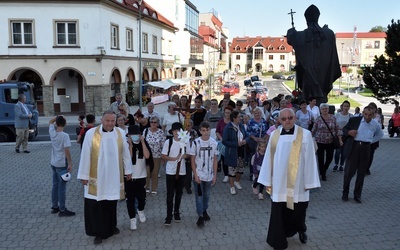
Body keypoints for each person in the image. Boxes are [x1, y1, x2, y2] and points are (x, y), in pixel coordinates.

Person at [258, 108, 321, 249]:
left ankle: (301, 229)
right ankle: (278, 241)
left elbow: (310, 159)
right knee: (279, 212)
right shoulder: (274, 135)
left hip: (299, 183)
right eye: (284, 119)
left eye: (290, 118)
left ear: (295, 118)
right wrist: (267, 180)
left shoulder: (305, 135)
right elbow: (268, 158)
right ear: (279, 120)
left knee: (298, 212)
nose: (287, 121)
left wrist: (310, 181)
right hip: (279, 183)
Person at [77, 110, 133, 245]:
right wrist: (83, 175)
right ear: (101, 120)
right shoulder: (91, 134)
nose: (110, 123)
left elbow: (125, 153)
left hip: (114, 175)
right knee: (97, 204)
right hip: (97, 176)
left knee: (111, 202)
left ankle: (111, 227)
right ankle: (98, 233)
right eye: (107, 120)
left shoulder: (120, 133)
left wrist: (129, 170)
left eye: (112, 121)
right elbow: (85, 155)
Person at [286, 4, 341, 104]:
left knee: (308, 97)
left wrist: (291, 31)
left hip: (309, 75)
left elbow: (291, 38)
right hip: (324, 74)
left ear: (306, 20)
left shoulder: (300, 35)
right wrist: (325, 29)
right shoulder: (329, 33)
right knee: (320, 96)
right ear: (317, 17)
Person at [341, 106, 383, 203]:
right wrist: (349, 132)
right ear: (363, 112)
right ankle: (345, 193)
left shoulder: (375, 124)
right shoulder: (355, 120)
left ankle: (357, 195)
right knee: (349, 172)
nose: (367, 117)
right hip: (354, 147)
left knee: (361, 173)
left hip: (366, 148)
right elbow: (344, 130)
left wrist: (371, 141)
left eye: (370, 115)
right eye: (366, 114)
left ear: (374, 114)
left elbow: (380, 134)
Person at [188, 122, 218, 227]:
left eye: (207, 130)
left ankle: (205, 210)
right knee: (199, 196)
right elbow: (192, 160)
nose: (205, 133)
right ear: (200, 131)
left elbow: (215, 159)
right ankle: (200, 215)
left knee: (207, 195)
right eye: (203, 130)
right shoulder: (196, 143)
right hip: (199, 175)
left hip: (209, 175)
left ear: (210, 130)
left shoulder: (214, 143)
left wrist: (215, 175)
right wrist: (195, 175)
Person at [161, 122, 188, 226]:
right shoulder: (169, 142)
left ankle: (176, 212)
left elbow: (188, 154)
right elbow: (163, 155)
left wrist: (183, 156)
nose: (176, 133)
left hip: (181, 171)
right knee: (170, 193)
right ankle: (168, 215)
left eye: (178, 131)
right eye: (175, 131)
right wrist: (174, 159)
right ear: (172, 132)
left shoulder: (185, 141)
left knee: (179, 192)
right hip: (170, 171)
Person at [125, 125, 150, 231]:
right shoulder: (126, 145)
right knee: (130, 199)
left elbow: (147, 156)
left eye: (137, 134)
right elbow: (128, 158)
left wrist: (143, 142)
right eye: (133, 134)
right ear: (129, 135)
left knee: (141, 198)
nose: (135, 136)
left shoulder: (143, 143)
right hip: (130, 176)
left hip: (141, 175)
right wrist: (130, 145)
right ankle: (132, 219)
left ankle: (141, 210)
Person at [49, 115, 75, 217]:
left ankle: (55, 206)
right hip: (61, 163)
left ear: (56, 123)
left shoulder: (52, 133)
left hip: (53, 162)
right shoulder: (65, 136)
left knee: (55, 185)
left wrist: (57, 117)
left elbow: (50, 122)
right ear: (65, 124)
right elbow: (67, 151)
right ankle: (62, 209)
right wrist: (70, 163)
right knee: (62, 187)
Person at [311, 103, 343, 181]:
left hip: (330, 141)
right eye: (323, 109)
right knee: (321, 158)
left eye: (326, 109)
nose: (325, 110)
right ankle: (323, 174)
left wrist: (340, 139)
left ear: (328, 110)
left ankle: (324, 169)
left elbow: (337, 128)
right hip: (320, 142)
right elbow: (313, 130)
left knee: (330, 157)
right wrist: (309, 139)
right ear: (320, 110)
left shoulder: (333, 118)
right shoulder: (318, 119)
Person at [222, 110, 248, 195]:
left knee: (240, 169)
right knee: (232, 171)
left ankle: (237, 181)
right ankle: (232, 187)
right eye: (239, 117)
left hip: (241, 151)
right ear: (234, 118)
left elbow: (246, 135)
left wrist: (245, 141)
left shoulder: (241, 126)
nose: (240, 118)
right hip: (232, 152)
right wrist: (236, 143)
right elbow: (224, 141)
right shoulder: (228, 128)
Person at [143, 116, 165, 194]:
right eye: (151, 122)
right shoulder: (145, 131)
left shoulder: (161, 132)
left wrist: (163, 157)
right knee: (147, 172)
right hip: (147, 156)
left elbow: (163, 144)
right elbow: (143, 142)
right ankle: (147, 186)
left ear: (158, 123)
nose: (153, 124)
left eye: (155, 122)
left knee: (155, 173)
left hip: (157, 155)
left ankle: (154, 188)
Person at [333, 101, 352, 172]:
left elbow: (351, 125)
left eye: (347, 106)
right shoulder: (337, 115)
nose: (346, 108)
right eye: (345, 106)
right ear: (342, 107)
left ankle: (341, 165)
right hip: (338, 135)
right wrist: (338, 128)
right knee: (338, 151)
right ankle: (336, 164)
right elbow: (334, 123)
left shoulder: (350, 116)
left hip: (346, 136)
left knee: (344, 152)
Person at [216, 106, 233, 183]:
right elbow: (217, 131)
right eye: (226, 113)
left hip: (232, 143)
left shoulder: (233, 122)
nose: (227, 114)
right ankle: (226, 175)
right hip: (223, 143)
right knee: (224, 159)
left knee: (231, 159)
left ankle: (232, 175)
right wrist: (221, 138)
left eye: (229, 113)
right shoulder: (221, 122)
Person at [184, 119, 199, 194]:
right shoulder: (182, 132)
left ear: (192, 126)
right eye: (186, 125)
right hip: (184, 154)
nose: (187, 127)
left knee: (189, 172)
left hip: (192, 154)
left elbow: (197, 142)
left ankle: (188, 187)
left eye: (189, 125)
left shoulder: (194, 132)